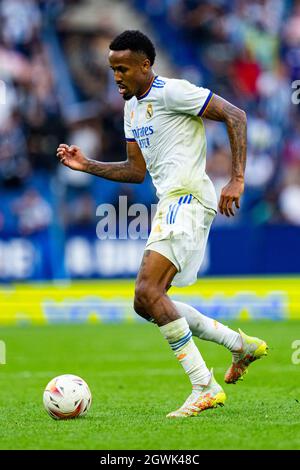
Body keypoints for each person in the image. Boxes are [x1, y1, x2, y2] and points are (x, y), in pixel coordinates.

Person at [57, 30, 268, 418]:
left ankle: (204, 385)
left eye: (122, 68)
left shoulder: (173, 92)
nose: (116, 76)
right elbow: (136, 171)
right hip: (169, 202)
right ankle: (239, 345)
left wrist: (237, 178)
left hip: (187, 199)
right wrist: (87, 165)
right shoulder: (131, 110)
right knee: (146, 302)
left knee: (148, 290)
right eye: (112, 70)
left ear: (145, 65)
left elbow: (235, 115)